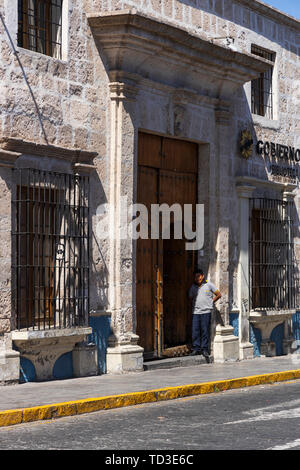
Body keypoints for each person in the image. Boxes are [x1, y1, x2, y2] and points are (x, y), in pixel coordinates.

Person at [188, 268, 221, 363]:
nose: (197, 278)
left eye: (198, 276)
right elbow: (190, 297)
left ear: (202, 276)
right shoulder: (193, 287)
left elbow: (218, 294)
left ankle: (205, 349)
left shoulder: (209, 285)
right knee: (195, 330)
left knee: (205, 330)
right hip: (196, 312)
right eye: (195, 277)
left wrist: (211, 301)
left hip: (206, 312)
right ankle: (196, 348)